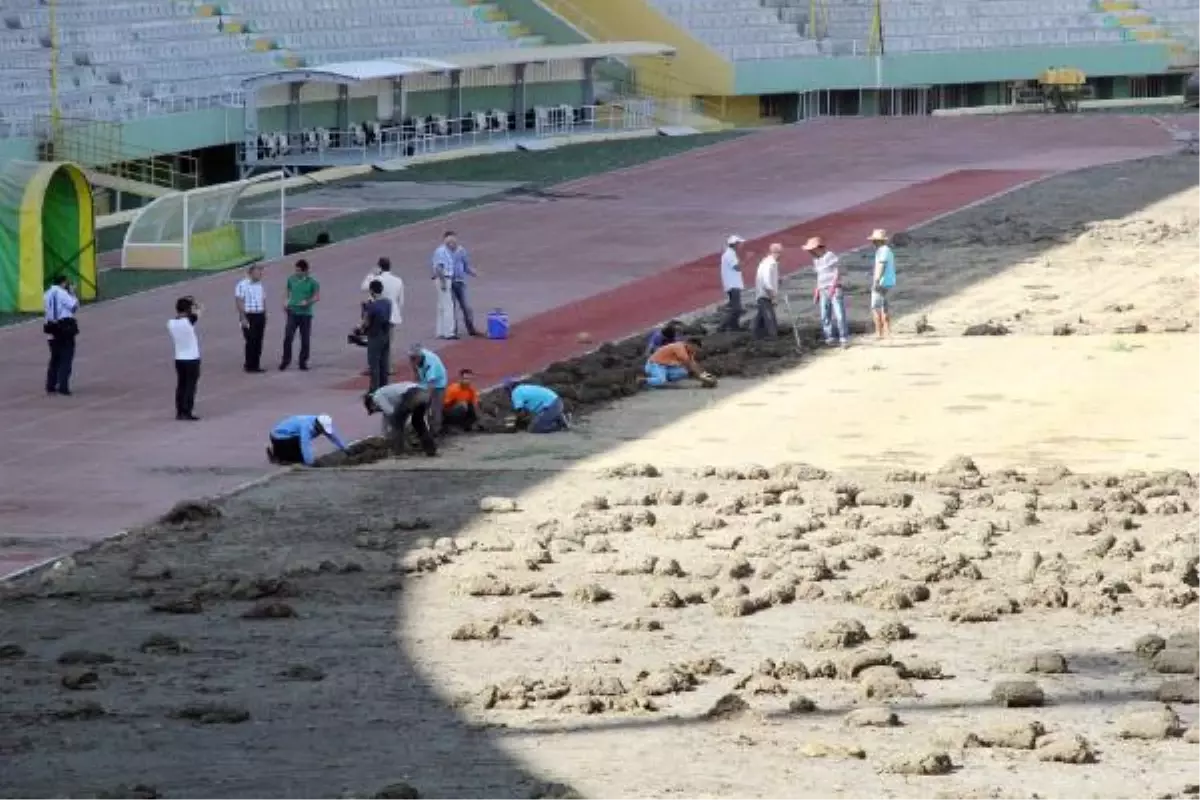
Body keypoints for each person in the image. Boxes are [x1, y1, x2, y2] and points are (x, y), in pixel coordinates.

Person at [363, 381, 437, 457]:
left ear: (372, 404)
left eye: (375, 410)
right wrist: (384, 434)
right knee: (418, 423)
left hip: (412, 394)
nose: (378, 411)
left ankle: (399, 452)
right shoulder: (386, 394)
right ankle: (431, 450)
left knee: (397, 423)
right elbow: (386, 417)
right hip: (424, 394)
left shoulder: (377, 397)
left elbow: (391, 413)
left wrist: (387, 437)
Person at [431, 230, 480, 338]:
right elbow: (438, 268)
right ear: (445, 241)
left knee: (466, 307)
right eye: (449, 241)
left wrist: (473, 273)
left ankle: (471, 329)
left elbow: (466, 265)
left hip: (459, 281)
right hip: (448, 281)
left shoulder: (461, 250)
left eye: (453, 241)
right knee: (450, 307)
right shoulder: (440, 252)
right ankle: (452, 331)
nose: (452, 243)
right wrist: (443, 282)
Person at [804, 236, 848, 348]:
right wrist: (817, 290)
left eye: (811, 250)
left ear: (818, 248)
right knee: (825, 314)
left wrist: (833, 286)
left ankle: (843, 338)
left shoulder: (830, 256)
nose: (810, 252)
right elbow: (819, 276)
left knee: (839, 314)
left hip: (833, 288)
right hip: (823, 289)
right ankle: (830, 337)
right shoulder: (816, 260)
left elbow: (837, 272)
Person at [279, 259, 320, 371]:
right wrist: (285, 301)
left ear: (305, 271)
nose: (296, 272)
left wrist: (308, 302)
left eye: (299, 271)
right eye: (296, 270)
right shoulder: (291, 279)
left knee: (305, 339)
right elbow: (288, 291)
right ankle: (285, 360)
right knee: (288, 336)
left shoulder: (312, 283)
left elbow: (317, 297)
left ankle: (303, 361)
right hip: (292, 312)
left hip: (305, 314)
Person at [43, 274, 79, 395]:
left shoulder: (46, 294)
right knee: (66, 357)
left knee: (54, 358)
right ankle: (63, 386)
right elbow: (74, 307)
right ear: (63, 283)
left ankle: (50, 385)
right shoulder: (63, 293)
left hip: (50, 326)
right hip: (64, 326)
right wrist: (73, 293)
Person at [167, 295, 202, 421]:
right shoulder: (189, 322)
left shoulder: (170, 323)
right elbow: (199, 310)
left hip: (179, 358)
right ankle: (187, 410)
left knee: (181, 385)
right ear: (188, 310)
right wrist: (195, 302)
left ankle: (180, 410)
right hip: (192, 358)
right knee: (190, 386)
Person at [267, 413, 348, 466]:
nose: (323, 432)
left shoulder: (319, 422)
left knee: (298, 455)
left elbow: (332, 436)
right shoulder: (306, 426)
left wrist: (345, 448)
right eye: (322, 429)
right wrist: (310, 463)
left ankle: (278, 453)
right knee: (297, 460)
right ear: (318, 425)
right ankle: (277, 454)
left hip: (288, 435)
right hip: (279, 437)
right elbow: (305, 444)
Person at [361, 256, 404, 355]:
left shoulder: (376, 279)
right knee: (390, 341)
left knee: (376, 340)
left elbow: (363, 287)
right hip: (393, 313)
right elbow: (401, 301)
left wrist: (371, 274)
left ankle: (377, 363)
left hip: (378, 314)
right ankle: (389, 366)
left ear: (379, 267)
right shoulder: (398, 280)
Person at [360, 279, 393, 392]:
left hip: (374, 336)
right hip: (386, 334)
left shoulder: (372, 306)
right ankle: (385, 387)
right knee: (384, 362)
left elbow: (366, 322)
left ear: (372, 291)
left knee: (374, 364)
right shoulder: (388, 303)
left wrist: (364, 312)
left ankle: (374, 389)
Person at [234, 264, 267, 373]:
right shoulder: (242, 285)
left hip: (260, 315)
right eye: (258, 272)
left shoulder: (260, 285)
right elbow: (239, 301)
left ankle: (256, 364)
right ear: (251, 273)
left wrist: (265, 314)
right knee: (251, 339)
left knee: (258, 340)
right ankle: (249, 365)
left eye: (261, 272)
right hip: (248, 315)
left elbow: (263, 300)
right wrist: (242, 317)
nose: (260, 274)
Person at [409, 344, 448, 433]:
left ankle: (436, 431)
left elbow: (431, 385)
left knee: (435, 408)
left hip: (438, 384)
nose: (412, 361)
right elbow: (414, 371)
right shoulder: (414, 358)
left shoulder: (431, 363)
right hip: (424, 381)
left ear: (419, 357)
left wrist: (426, 399)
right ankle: (421, 429)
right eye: (411, 358)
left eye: (414, 359)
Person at [506, 378, 570, 433]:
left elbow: (520, 412)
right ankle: (559, 418)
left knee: (533, 429)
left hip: (551, 406)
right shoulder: (524, 388)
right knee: (537, 419)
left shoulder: (515, 392)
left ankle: (559, 426)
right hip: (557, 402)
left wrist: (513, 425)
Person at [645, 337, 710, 388]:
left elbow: (693, 364)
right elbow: (689, 364)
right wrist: (703, 378)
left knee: (684, 372)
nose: (696, 350)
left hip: (666, 367)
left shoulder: (691, 351)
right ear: (691, 344)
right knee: (661, 381)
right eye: (696, 348)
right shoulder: (679, 348)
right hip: (655, 364)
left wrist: (705, 374)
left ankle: (661, 378)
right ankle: (642, 380)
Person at [869, 228, 896, 339]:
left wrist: (876, 281)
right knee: (885, 307)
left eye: (874, 240)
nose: (872, 242)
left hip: (882, 282)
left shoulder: (882, 251)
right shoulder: (887, 250)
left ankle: (879, 333)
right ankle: (888, 332)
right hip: (889, 282)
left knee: (875, 307)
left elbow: (881, 266)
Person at [753, 242, 782, 340]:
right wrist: (773, 297)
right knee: (770, 318)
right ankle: (773, 336)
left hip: (766, 295)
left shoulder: (771, 263)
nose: (781, 256)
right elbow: (766, 283)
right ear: (775, 253)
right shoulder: (769, 264)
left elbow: (771, 279)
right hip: (764, 295)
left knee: (761, 316)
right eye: (780, 253)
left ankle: (756, 334)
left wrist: (778, 281)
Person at [718, 235, 746, 332]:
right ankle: (722, 327)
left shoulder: (729, 254)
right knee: (736, 308)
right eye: (739, 244)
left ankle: (734, 327)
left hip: (732, 284)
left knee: (735, 307)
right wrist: (745, 260)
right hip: (733, 285)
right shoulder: (730, 254)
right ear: (735, 244)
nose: (741, 245)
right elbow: (736, 267)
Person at [442, 368, 482, 432]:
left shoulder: (471, 390)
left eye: (470, 379)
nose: (468, 381)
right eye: (466, 379)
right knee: (463, 405)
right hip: (449, 413)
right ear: (460, 379)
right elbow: (444, 406)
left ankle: (468, 425)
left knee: (474, 405)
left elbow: (474, 405)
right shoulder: (453, 389)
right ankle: (452, 425)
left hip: (462, 412)